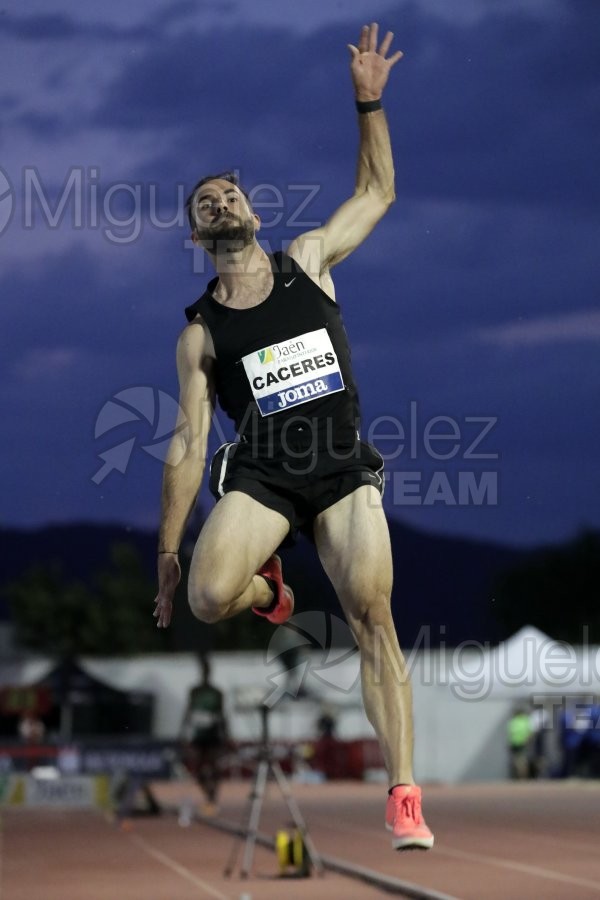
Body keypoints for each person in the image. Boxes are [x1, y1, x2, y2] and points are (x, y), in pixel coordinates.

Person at [153, 22, 434, 851]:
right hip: (265, 477)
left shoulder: (309, 260)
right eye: (205, 204)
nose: (220, 202)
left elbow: (378, 192)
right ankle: (271, 593)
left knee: (372, 611)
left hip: (342, 469)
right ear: (196, 237)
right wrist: (168, 551)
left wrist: (369, 101)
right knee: (209, 598)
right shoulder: (200, 334)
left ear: (251, 208)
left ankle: (405, 793)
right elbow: (185, 444)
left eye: (230, 193)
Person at [180, 654, 228, 814]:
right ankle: (208, 795)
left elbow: (222, 715)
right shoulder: (194, 692)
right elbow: (187, 713)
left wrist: (227, 736)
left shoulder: (217, 693)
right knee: (198, 769)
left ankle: (212, 799)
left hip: (213, 734)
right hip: (198, 735)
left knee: (214, 768)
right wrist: (182, 734)